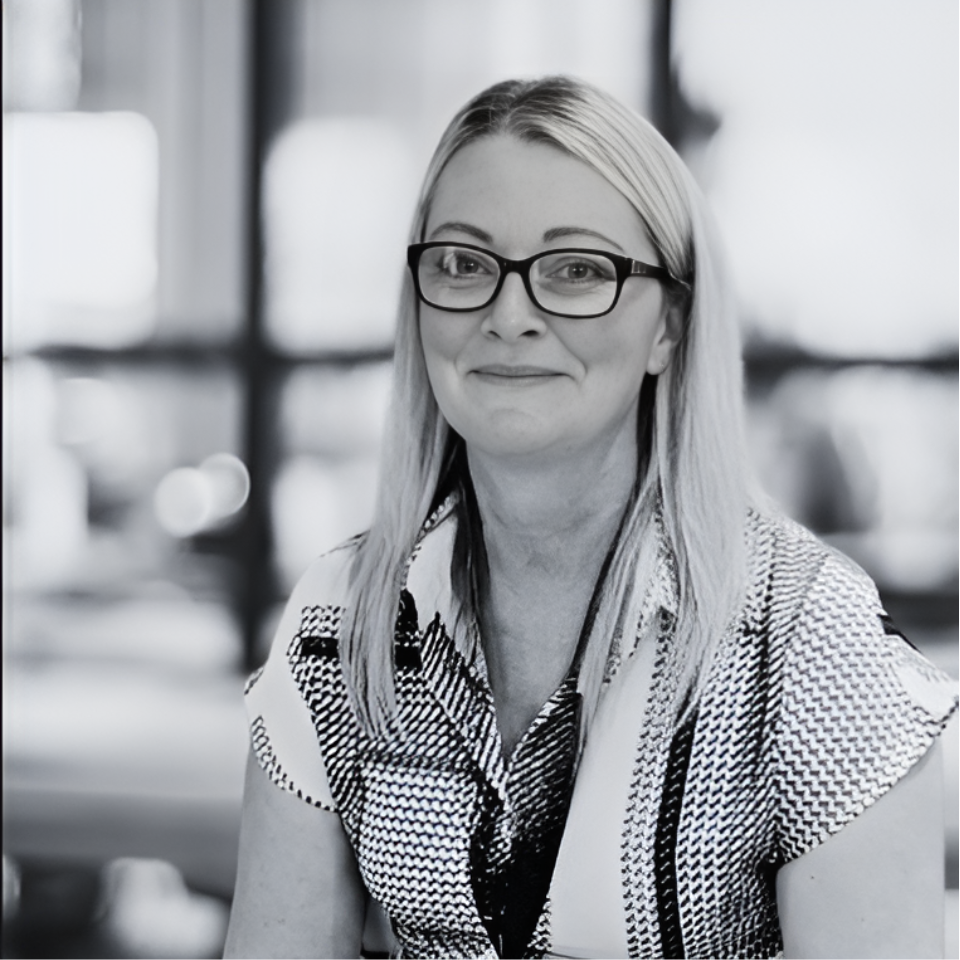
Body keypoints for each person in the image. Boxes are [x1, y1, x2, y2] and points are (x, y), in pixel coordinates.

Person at [224, 76, 956, 959]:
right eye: (462, 263)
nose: (508, 316)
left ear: (668, 327)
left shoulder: (809, 647)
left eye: (577, 271)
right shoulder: (343, 617)